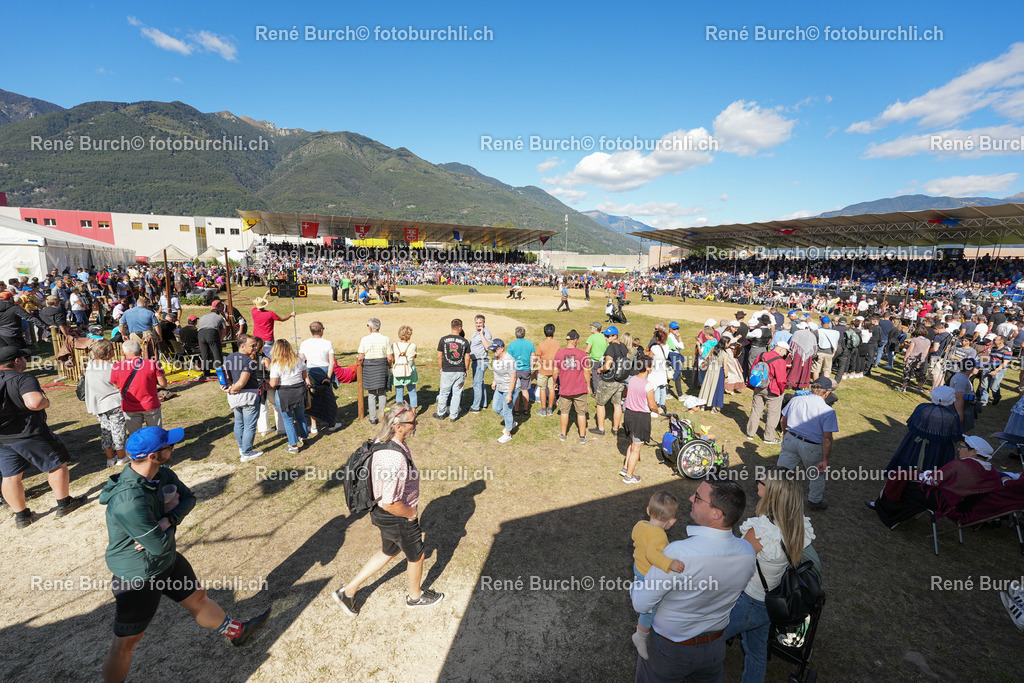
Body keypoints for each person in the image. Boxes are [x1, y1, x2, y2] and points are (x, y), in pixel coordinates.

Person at [99, 426, 271, 682]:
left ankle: (237, 632)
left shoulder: (162, 474)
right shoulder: (129, 502)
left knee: (198, 598)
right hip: (139, 576)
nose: (174, 447)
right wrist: (160, 531)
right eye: (169, 445)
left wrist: (168, 520)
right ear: (153, 456)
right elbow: (155, 545)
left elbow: (189, 498)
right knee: (126, 644)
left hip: (166, 559)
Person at [631, 479, 755, 683]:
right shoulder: (747, 552)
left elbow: (641, 603)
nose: (690, 498)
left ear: (716, 514)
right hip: (714, 648)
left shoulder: (679, 553)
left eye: (697, 498)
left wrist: (637, 581)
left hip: (670, 650)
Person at [333, 403, 443, 615]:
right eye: (413, 422)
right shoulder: (395, 458)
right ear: (399, 426)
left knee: (389, 550)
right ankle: (415, 597)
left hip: (380, 512)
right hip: (396, 515)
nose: (416, 425)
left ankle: (347, 592)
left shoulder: (383, 441)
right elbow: (390, 503)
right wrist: (410, 514)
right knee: (417, 556)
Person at [723, 467, 816, 683]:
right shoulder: (797, 524)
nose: (756, 483)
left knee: (707, 639)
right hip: (769, 602)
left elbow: (733, 565)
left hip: (748, 601)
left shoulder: (761, 530)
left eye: (760, 481)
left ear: (772, 491)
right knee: (756, 653)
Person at [0, 346, 85, 528]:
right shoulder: (23, 378)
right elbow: (35, 402)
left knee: (10, 476)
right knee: (57, 465)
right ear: (16, 361)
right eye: (23, 358)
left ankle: (21, 516)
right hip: (30, 433)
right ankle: (65, 503)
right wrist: (46, 401)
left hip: (3, 438)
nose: (25, 361)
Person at [631, 491, 687, 660]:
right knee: (651, 607)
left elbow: (638, 540)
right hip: (646, 573)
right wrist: (669, 563)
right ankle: (640, 635)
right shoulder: (659, 534)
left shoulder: (641, 524)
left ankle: (636, 589)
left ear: (648, 510)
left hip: (638, 566)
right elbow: (652, 554)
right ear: (671, 521)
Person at [778, 376, 838, 510]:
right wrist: (825, 460)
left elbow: (783, 420)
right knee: (816, 474)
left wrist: (786, 436)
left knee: (781, 470)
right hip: (811, 446)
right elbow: (827, 438)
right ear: (827, 392)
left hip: (791, 439)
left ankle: (773, 493)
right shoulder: (828, 411)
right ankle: (814, 501)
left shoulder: (796, 400)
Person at [84, 339, 128, 468]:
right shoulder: (112, 367)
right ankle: (121, 456)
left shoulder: (90, 364)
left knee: (106, 431)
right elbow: (119, 384)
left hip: (98, 404)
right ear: (109, 353)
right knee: (118, 430)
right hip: (113, 403)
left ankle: (110, 458)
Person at [222, 334, 265, 462]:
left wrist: (228, 388)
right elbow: (242, 382)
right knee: (249, 425)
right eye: (252, 345)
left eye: (255, 345)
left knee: (239, 423)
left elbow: (225, 376)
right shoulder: (249, 361)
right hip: (248, 397)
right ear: (242, 346)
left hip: (234, 397)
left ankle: (242, 448)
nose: (255, 347)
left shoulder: (229, 358)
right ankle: (246, 453)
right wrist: (232, 388)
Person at [111, 340, 168, 435]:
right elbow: (163, 384)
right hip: (150, 404)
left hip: (129, 406)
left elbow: (117, 385)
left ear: (123, 353)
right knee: (155, 434)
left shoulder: (116, 366)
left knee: (135, 436)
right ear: (140, 351)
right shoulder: (152, 363)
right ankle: (156, 449)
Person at [621, 356, 660, 484]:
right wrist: (658, 410)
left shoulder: (631, 380)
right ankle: (629, 476)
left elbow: (625, 394)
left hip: (629, 415)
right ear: (647, 368)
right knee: (637, 448)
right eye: (651, 365)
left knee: (633, 443)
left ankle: (625, 468)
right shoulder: (648, 386)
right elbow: (652, 405)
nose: (653, 367)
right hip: (640, 418)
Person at [299, 321, 342, 434]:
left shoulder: (304, 343)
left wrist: (305, 377)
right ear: (321, 330)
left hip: (310, 371)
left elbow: (301, 361)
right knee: (328, 397)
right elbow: (331, 362)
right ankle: (331, 423)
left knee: (312, 398)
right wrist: (328, 377)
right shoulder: (327, 343)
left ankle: (313, 426)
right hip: (324, 371)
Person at [269, 339, 310, 453]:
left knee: (288, 420)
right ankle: (304, 436)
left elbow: (273, 384)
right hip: (299, 390)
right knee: (301, 416)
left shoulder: (276, 364)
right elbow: (304, 374)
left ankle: (293, 446)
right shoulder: (298, 360)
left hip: (284, 393)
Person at [745, 341, 790, 444]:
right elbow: (781, 380)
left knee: (755, 410)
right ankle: (768, 438)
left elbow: (753, 370)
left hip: (759, 386)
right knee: (773, 414)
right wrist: (782, 390)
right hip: (773, 390)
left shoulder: (761, 355)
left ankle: (750, 433)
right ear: (781, 349)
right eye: (785, 352)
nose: (785, 354)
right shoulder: (780, 361)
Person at [554, 329, 591, 444]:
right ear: (575, 340)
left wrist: (555, 382)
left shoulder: (559, 354)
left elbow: (555, 371)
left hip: (565, 388)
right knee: (581, 413)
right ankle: (582, 436)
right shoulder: (582, 354)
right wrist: (588, 385)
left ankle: (563, 435)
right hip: (579, 388)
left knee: (564, 412)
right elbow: (586, 371)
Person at [592, 326, 628, 437]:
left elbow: (607, 366)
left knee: (600, 403)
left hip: (609, 380)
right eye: (605, 335)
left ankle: (601, 429)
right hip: (620, 380)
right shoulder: (623, 346)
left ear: (615, 336)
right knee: (617, 405)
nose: (606, 337)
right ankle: (615, 429)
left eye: (608, 336)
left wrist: (599, 369)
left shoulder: (611, 348)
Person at [357, 317, 393, 425]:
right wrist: (389, 366)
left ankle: (372, 418)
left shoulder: (364, 339)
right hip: (382, 366)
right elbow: (390, 357)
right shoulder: (385, 339)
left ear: (370, 328)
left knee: (371, 393)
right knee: (382, 393)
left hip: (369, 367)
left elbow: (360, 357)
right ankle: (382, 417)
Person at [435, 319, 471, 422]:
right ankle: (453, 415)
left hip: (447, 370)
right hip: (460, 370)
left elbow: (439, 356)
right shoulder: (464, 342)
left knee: (444, 392)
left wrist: (441, 367)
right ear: (460, 328)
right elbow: (467, 358)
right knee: (457, 393)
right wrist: (466, 369)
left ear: (452, 327)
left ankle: (441, 413)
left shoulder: (443, 340)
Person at [488, 339, 519, 443]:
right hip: (500, 386)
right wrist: (494, 381)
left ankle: (508, 434)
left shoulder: (509, 360)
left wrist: (510, 394)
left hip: (510, 387)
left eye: (495, 349)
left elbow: (513, 378)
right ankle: (511, 422)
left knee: (507, 411)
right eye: (492, 350)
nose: (493, 352)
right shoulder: (496, 357)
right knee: (496, 408)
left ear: (502, 348)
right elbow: (496, 371)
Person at [507, 326, 537, 415]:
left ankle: (516, 410)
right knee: (525, 390)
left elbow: (508, 358)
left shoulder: (512, 345)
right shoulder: (530, 344)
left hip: (515, 370)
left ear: (515, 334)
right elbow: (534, 357)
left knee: (516, 390)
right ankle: (526, 409)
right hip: (526, 370)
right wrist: (532, 367)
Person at [391, 325, 419, 410]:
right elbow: (414, 357)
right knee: (412, 391)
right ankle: (413, 411)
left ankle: (400, 410)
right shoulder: (413, 345)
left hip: (398, 369)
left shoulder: (394, 345)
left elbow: (392, 357)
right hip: (409, 369)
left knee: (399, 392)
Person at [197, 302, 227, 377]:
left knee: (204, 354)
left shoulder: (203, 317)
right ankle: (219, 371)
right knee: (216, 353)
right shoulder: (219, 318)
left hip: (200, 334)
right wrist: (220, 340)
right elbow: (224, 331)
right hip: (211, 333)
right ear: (218, 313)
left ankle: (206, 373)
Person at [536, 323, 560, 417]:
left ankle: (543, 409)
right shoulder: (557, 344)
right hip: (554, 370)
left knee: (542, 389)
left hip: (543, 370)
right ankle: (550, 409)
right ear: (553, 332)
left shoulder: (541, 344)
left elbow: (538, 358)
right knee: (551, 388)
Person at [698, 337, 728, 414]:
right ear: (725, 344)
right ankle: (714, 408)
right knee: (717, 389)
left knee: (707, 386)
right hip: (719, 371)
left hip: (710, 370)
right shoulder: (725, 354)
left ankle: (703, 405)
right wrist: (726, 376)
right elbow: (725, 366)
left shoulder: (713, 348)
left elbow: (705, 357)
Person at [469, 315, 492, 412]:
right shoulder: (476, 331)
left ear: (484, 323)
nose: (478, 325)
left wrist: (482, 334)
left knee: (476, 384)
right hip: (476, 361)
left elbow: (487, 347)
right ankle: (483, 403)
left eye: (480, 323)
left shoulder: (486, 333)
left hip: (481, 361)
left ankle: (475, 407)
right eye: (477, 323)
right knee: (480, 383)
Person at [899, 326, 932, 393]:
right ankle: (919, 388)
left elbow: (910, 349)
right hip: (921, 359)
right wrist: (923, 358)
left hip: (912, 358)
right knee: (920, 374)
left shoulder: (914, 340)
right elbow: (926, 351)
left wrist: (906, 356)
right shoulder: (928, 341)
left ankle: (904, 387)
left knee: (907, 372)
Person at [786, 322, 818, 390]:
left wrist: (790, 351)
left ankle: (791, 384)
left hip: (798, 352)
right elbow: (814, 346)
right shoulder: (811, 334)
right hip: (808, 354)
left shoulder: (797, 333)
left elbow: (792, 343)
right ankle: (801, 385)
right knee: (805, 368)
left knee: (795, 367)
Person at [811, 316, 839, 381]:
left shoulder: (817, 331)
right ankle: (826, 385)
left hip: (819, 352)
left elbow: (814, 342)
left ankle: (816, 384)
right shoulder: (835, 332)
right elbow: (836, 343)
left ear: (821, 323)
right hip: (829, 352)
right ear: (829, 323)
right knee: (827, 370)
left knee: (816, 370)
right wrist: (834, 353)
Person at [648, 330, 670, 412]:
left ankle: (657, 405)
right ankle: (662, 405)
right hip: (663, 369)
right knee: (663, 388)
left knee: (656, 387)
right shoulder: (667, 346)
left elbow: (649, 358)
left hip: (655, 369)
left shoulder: (654, 348)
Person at [585, 322, 608, 397]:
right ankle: (604, 392)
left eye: (591, 327)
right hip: (604, 360)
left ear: (595, 328)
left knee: (595, 377)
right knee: (603, 377)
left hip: (595, 360)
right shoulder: (604, 337)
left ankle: (596, 393)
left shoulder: (592, 337)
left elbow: (587, 350)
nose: (590, 328)